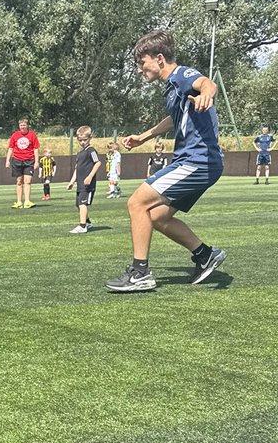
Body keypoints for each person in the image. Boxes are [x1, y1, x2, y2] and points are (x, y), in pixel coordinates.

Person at [106, 29, 226, 293]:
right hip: (195, 161)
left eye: (142, 63)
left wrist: (207, 94)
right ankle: (205, 255)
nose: (140, 69)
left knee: (136, 202)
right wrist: (144, 137)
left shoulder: (181, 75)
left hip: (198, 161)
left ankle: (140, 273)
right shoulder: (172, 88)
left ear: (159, 58)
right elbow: (174, 118)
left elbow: (207, 83)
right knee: (156, 216)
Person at [66, 126, 101, 234]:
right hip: (80, 184)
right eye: (80, 140)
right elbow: (77, 168)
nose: (82, 142)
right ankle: (87, 222)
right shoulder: (80, 153)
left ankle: (82, 226)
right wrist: (72, 182)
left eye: (85, 140)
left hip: (87, 185)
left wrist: (90, 177)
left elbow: (98, 163)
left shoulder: (91, 150)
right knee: (78, 204)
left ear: (90, 138)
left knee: (82, 204)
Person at [6, 118, 40, 208]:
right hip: (17, 160)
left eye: (24, 125)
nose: (23, 127)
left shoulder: (32, 135)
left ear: (27, 125)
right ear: (19, 126)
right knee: (19, 181)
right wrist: (7, 160)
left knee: (27, 181)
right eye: (21, 125)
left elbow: (36, 149)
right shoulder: (15, 135)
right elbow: (10, 148)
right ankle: (19, 202)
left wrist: (36, 161)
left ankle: (27, 201)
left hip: (29, 161)